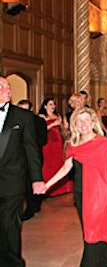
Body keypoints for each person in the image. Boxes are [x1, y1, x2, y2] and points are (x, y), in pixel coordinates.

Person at [45, 107, 107, 266]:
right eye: (79, 120)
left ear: (93, 122)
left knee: (91, 232)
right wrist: (46, 184)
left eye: (87, 120)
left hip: (100, 194)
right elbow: (65, 169)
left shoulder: (102, 143)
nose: (83, 124)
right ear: (74, 123)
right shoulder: (73, 144)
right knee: (92, 229)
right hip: (81, 193)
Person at [0, 77, 46, 266]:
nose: (8, 90)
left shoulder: (22, 116)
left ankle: (14, 263)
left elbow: (31, 149)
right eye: (2, 87)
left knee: (10, 223)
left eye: (8, 86)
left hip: (12, 179)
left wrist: (37, 179)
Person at [17, 99, 47, 221]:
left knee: (33, 180)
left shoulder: (39, 121)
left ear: (30, 110)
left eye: (25, 109)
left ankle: (33, 205)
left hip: (34, 156)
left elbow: (43, 139)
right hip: (19, 158)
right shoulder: (14, 119)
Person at [39, 98, 73, 196]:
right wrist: (53, 123)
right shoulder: (42, 116)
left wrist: (61, 124)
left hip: (58, 141)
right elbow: (41, 130)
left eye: (53, 104)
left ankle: (60, 189)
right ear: (45, 106)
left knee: (59, 163)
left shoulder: (58, 115)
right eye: (50, 104)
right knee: (48, 163)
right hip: (48, 142)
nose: (53, 106)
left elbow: (62, 129)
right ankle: (47, 187)